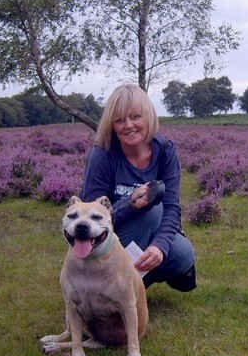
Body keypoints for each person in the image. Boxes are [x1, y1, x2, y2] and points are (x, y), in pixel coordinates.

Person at [80, 84, 196, 292]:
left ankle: (131, 287)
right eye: (119, 120)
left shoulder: (165, 150)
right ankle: (107, 290)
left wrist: (159, 247)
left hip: (146, 234)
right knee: (152, 209)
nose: (128, 125)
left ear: (148, 116)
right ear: (111, 124)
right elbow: (89, 218)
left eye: (135, 117)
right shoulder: (103, 155)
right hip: (110, 236)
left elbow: (172, 207)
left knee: (183, 253)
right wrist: (131, 204)